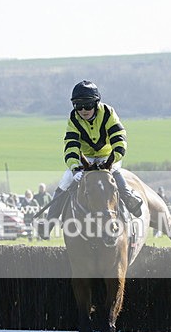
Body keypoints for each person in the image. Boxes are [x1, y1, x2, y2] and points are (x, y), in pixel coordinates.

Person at [38, 80, 143, 238]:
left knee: (115, 173)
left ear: (96, 103)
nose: (83, 110)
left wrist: (113, 158)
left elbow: (119, 137)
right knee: (65, 181)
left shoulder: (108, 112)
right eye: (78, 106)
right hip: (85, 157)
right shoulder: (74, 118)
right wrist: (75, 168)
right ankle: (50, 222)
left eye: (87, 105)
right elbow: (71, 144)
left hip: (109, 155)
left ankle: (129, 198)